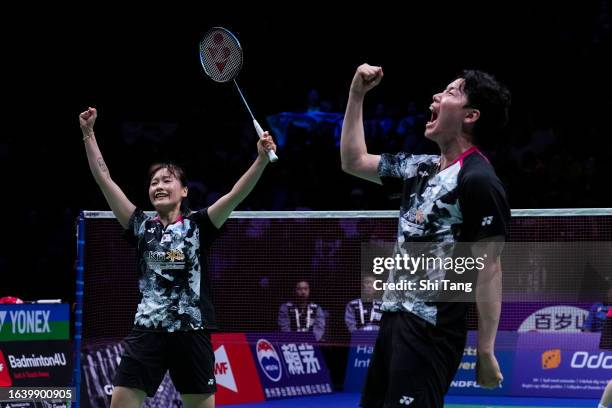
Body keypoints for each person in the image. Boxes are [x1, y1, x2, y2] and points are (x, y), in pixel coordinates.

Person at [79, 107, 276, 408]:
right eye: (154, 182)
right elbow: (105, 179)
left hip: (191, 333)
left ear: (184, 190)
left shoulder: (199, 225)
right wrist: (89, 134)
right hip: (147, 331)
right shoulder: (141, 226)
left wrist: (261, 160)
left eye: (166, 180)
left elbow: (236, 194)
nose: (158, 185)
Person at [341, 64, 511, 407]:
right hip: (393, 320)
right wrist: (356, 94)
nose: (436, 96)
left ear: (471, 115)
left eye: (450, 93)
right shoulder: (417, 168)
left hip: (431, 330)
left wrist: (486, 350)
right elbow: (354, 160)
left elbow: (489, 269)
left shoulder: (477, 180)